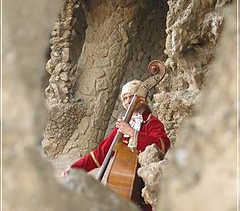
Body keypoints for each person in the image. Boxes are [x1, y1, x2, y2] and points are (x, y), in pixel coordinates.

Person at [61, 80, 170, 210]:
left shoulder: (151, 122)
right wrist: (75, 168)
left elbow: (162, 144)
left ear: (142, 99)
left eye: (131, 96)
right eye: (124, 98)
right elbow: (100, 154)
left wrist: (132, 132)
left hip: (147, 188)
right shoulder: (122, 126)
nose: (128, 101)